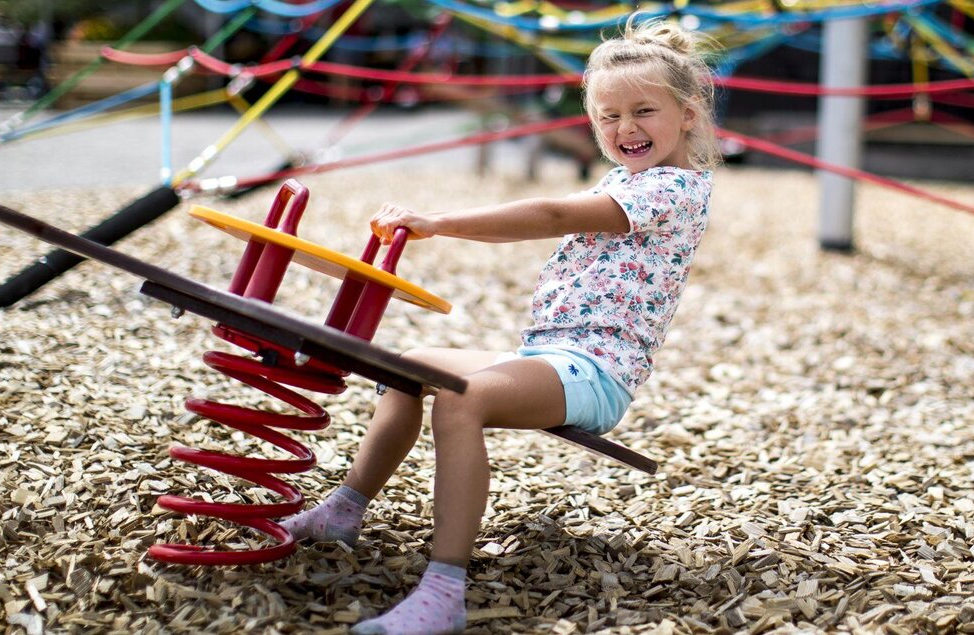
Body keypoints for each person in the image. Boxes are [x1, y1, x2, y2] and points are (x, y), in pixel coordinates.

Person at [282, 15, 721, 635]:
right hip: (550, 356)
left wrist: (437, 221)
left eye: (644, 111)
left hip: (594, 374)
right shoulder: (629, 179)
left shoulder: (674, 188)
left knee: (463, 401)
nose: (625, 128)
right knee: (408, 368)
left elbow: (545, 212)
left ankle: (444, 591)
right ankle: (341, 511)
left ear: (689, 114)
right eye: (608, 116)